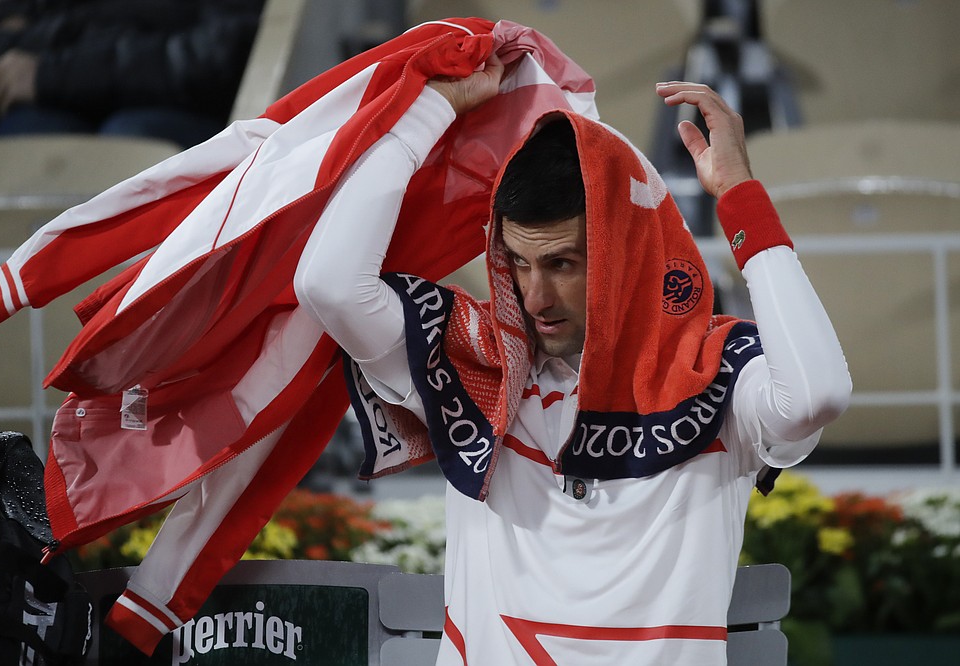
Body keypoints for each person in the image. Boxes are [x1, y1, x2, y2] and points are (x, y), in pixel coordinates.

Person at [294, 53, 851, 664]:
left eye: (562, 264)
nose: (535, 298)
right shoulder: (479, 363)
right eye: (518, 263)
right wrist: (431, 112)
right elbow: (328, 284)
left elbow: (818, 393)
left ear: (625, 257)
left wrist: (741, 197)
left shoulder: (712, 367)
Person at [0, 0, 264, 147]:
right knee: (27, 138)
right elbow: (1, 49)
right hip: (56, 86)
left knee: (129, 141)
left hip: (182, 100)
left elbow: (216, 55)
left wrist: (57, 72)